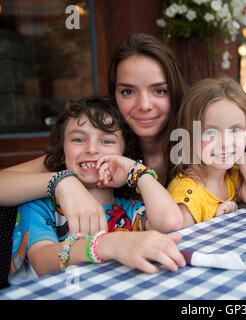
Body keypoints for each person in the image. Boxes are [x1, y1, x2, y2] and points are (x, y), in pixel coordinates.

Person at [0, 33, 186, 234]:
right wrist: (61, 182)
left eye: (159, 91)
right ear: (114, 95)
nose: (144, 105)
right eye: (127, 92)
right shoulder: (99, 151)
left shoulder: (193, 145)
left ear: (174, 92)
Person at [9, 96, 185, 285]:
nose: (92, 149)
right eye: (78, 139)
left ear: (124, 154)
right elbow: (41, 261)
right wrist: (106, 244)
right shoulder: (39, 205)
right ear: (62, 152)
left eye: (107, 141)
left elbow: (170, 221)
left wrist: (136, 172)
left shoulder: (131, 210)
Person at [167, 77, 246, 228]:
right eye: (210, 132)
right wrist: (214, 222)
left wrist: (241, 155)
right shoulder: (186, 194)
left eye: (235, 130)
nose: (225, 143)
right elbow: (180, 243)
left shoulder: (232, 176)